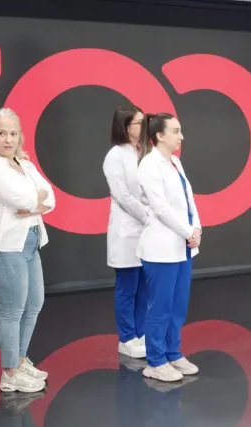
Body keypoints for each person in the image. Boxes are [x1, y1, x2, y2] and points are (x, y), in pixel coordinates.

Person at [0, 108, 53, 394]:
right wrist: (34, 201)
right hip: (5, 248)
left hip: (30, 241)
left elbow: (50, 197)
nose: (8, 139)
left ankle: (20, 359)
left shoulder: (23, 163)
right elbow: (26, 198)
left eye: (13, 133)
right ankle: (10, 372)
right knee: (13, 310)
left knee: (34, 304)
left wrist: (33, 204)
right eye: (2, 133)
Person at [136, 112, 201, 382]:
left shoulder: (175, 162)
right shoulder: (149, 165)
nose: (181, 136)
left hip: (182, 247)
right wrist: (188, 231)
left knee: (177, 306)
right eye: (175, 131)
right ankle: (155, 361)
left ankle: (173, 353)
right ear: (159, 135)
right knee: (160, 307)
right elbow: (161, 208)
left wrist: (197, 228)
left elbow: (189, 200)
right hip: (161, 248)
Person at [104, 105, 151, 359]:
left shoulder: (146, 151)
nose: (144, 127)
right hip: (128, 230)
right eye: (139, 123)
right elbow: (122, 195)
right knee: (127, 287)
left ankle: (141, 333)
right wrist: (148, 216)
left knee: (144, 286)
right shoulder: (116, 155)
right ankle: (127, 338)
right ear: (125, 126)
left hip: (148, 231)